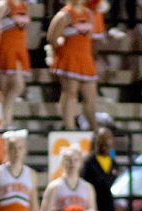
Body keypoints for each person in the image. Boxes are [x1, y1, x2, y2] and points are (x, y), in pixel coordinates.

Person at [47, 0, 98, 130]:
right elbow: (52, 38)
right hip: (69, 58)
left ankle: (94, 129)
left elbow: (89, 38)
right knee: (70, 93)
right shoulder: (64, 15)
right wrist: (56, 53)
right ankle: (69, 127)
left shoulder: (89, 14)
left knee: (90, 97)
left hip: (85, 59)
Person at [0, 0, 31, 129]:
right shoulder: (3, 5)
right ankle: (2, 121)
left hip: (19, 47)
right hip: (6, 47)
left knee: (8, 91)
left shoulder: (24, 5)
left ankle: (5, 121)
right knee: (16, 85)